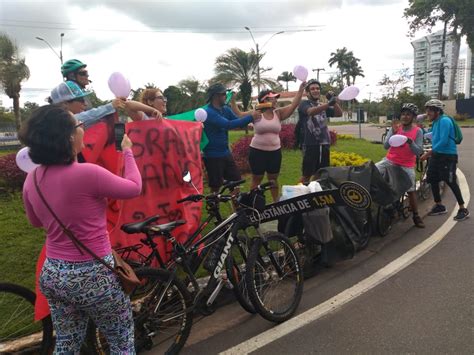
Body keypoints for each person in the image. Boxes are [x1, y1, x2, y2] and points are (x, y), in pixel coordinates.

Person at [19, 105, 142, 354]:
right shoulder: (88, 173)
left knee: (67, 342)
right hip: (93, 275)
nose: (83, 129)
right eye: (79, 125)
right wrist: (128, 152)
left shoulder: (31, 179)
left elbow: (35, 221)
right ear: (68, 137)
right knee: (121, 341)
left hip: (54, 274)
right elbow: (133, 187)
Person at [231, 83, 306, 201]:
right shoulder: (256, 113)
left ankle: (276, 202)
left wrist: (300, 90)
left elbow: (294, 105)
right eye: (273, 98)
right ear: (264, 100)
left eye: (276, 98)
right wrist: (232, 101)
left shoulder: (278, 113)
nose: (276, 100)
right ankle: (254, 202)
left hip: (274, 152)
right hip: (257, 152)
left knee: (273, 179)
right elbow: (239, 114)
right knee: (257, 178)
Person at [203, 83, 260, 192]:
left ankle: (237, 208)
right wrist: (251, 117)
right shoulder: (208, 112)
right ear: (215, 96)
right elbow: (228, 125)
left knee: (236, 181)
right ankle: (214, 209)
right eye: (224, 94)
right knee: (215, 186)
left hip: (225, 153)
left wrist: (252, 121)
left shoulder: (225, 109)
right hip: (212, 156)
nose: (226, 96)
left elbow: (237, 121)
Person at [376, 103, 425, 228]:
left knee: (411, 190)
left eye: (408, 114)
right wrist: (392, 131)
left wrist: (410, 142)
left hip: (406, 165)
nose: (405, 116)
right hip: (390, 161)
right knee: (373, 171)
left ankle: (416, 215)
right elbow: (386, 146)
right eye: (403, 114)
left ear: (413, 117)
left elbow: (419, 151)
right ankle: (384, 203)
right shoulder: (396, 128)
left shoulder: (417, 131)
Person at [420, 99, 469, 221]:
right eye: (427, 110)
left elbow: (443, 141)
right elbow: (430, 135)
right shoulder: (436, 122)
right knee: (432, 178)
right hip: (437, 155)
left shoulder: (445, 121)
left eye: (430, 110)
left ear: (438, 111)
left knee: (450, 181)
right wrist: (420, 127)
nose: (428, 113)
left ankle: (463, 208)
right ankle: (439, 205)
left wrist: (428, 154)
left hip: (447, 156)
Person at [297, 79, 342, 183]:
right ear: (307, 93)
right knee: (306, 175)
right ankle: (296, 194)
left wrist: (333, 101)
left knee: (321, 172)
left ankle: (312, 192)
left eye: (317, 88)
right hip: (310, 144)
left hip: (324, 143)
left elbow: (339, 114)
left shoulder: (322, 105)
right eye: (312, 89)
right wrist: (328, 104)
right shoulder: (304, 104)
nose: (315, 90)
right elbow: (311, 112)